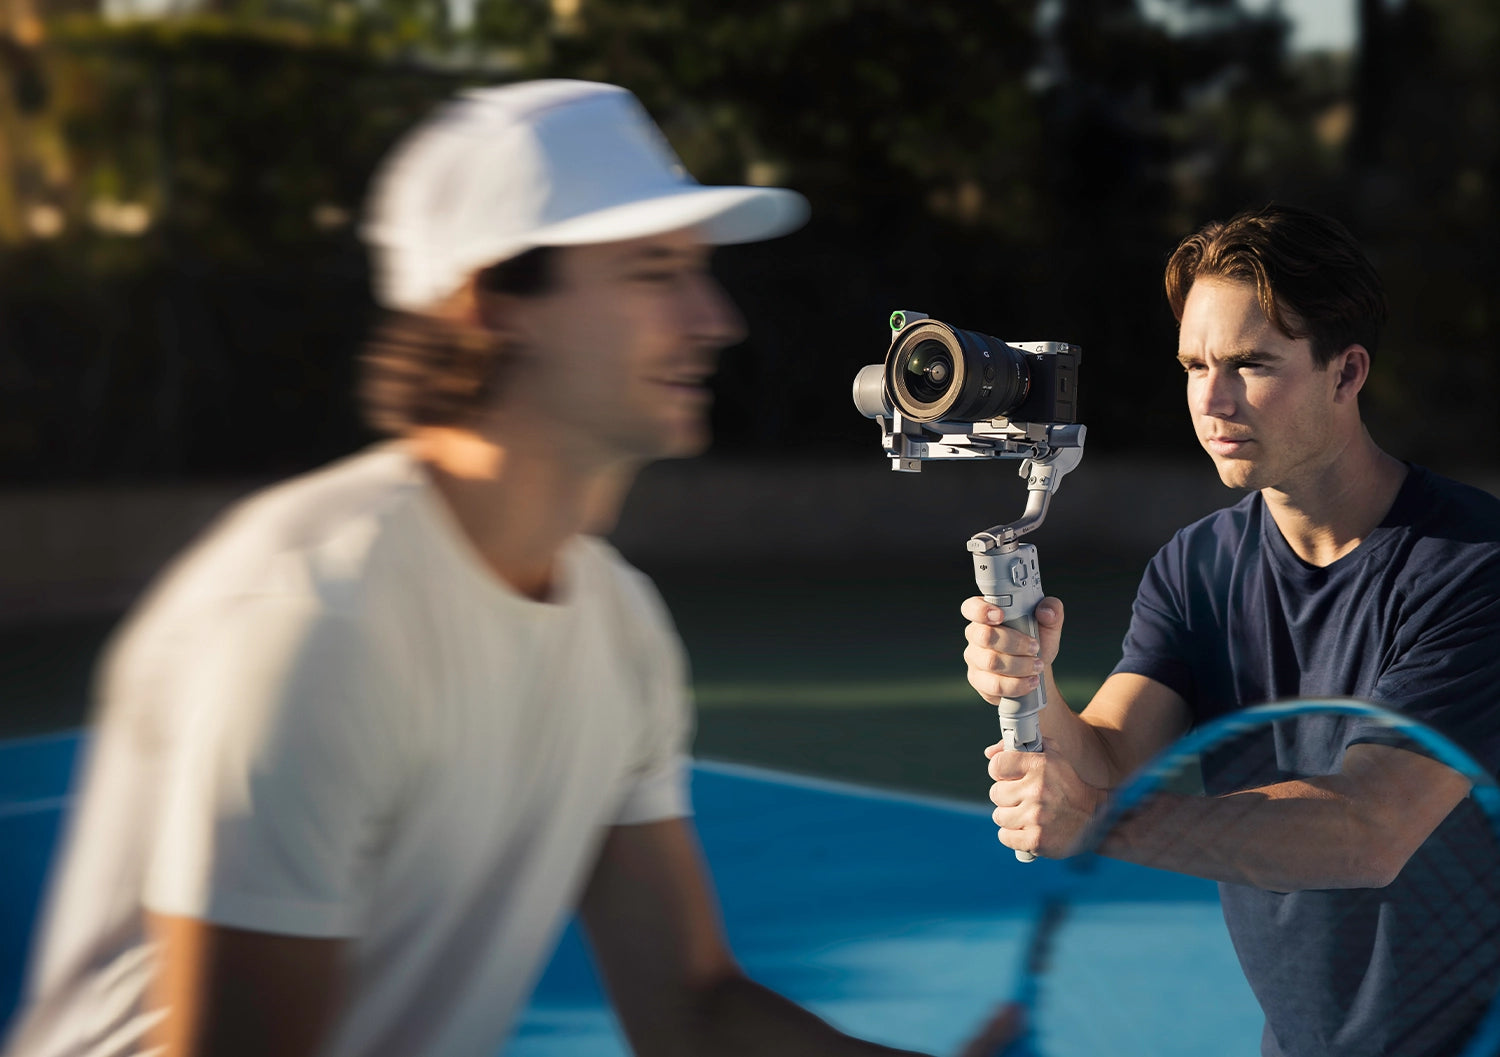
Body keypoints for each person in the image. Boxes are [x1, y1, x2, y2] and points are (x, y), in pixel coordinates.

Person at [4, 80, 1014, 1057]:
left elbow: (691, 1010)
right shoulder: (317, 619)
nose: (715, 318)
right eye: (654, 271)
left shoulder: (615, 621)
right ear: (494, 301)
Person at [961, 204, 1500, 1057]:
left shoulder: (1473, 565)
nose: (1211, 400)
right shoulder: (1196, 565)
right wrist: (1034, 687)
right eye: (1194, 364)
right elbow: (1106, 757)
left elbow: (1368, 830)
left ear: (1347, 372)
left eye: (1251, 364)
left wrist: (1097, 819)